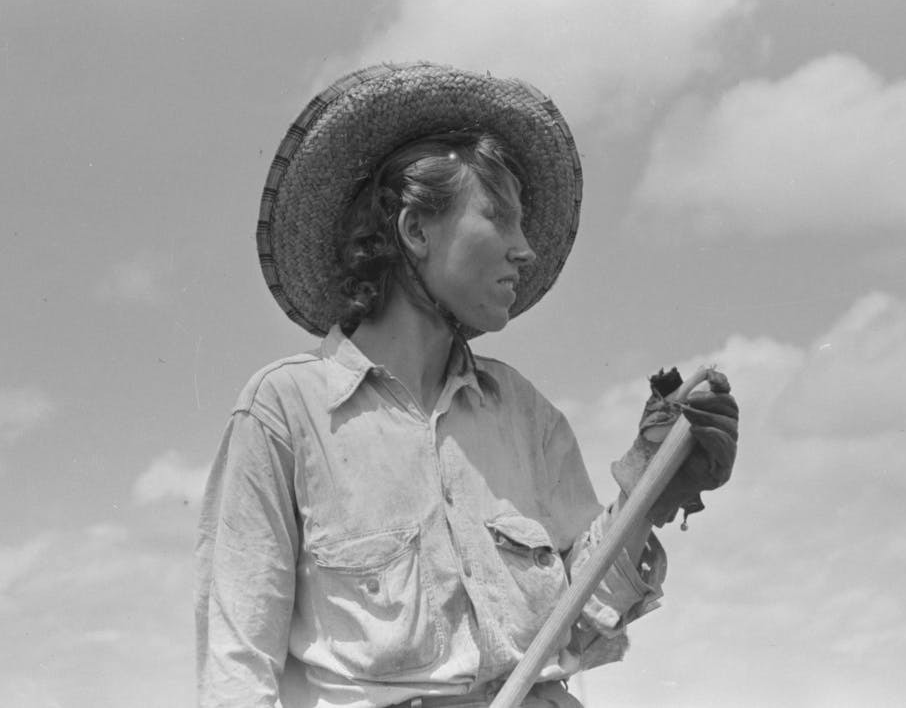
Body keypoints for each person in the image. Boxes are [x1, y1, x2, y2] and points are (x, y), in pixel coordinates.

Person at [195, 62, 739, 708]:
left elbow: (583, 613)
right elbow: (237, 670)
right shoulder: (286, 410)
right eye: (500, 220)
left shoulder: (524, 414)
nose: (525, 250)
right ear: (416, 231)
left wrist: (651, 487)